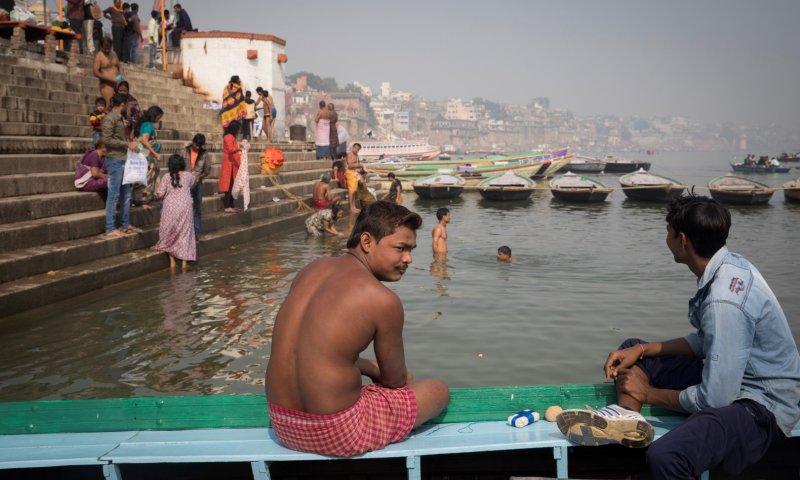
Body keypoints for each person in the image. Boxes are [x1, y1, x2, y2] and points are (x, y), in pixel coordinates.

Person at [556, 195, 800, 480]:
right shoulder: (731, 265)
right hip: (735, 379)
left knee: (667, 457)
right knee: (631, 351)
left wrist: (647, 394)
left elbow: (715, 399)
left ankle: (632, 406)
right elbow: (707, 341)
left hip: (760, 405)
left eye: (668, 232)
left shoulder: (723, 300)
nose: (667, 238)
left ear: (682, 240)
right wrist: (644, 349)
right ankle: (627, 418)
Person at [267, 202, 450, 457]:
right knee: (438, 390)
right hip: (335, 432)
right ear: (367, 241)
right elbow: (395, 381)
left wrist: (363, 366)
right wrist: (376, 370)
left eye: (410, 250)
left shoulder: (311, 269)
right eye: (401, 248)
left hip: (283, 424)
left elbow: (314, 351)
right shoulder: (382, 299)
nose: (408, 258)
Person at [102, 93, 140, 237]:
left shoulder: (120, 119)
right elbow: (106, 140)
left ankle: (125, 224)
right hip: (114, 160)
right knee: (114, 194)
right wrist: (126, 143)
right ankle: (110, 227)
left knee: (126, 194)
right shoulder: (110, 119)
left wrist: (131, 145)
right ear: (123, 104)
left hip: (124, 159)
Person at [153, 154, 196, 269]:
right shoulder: (189, 176)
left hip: (170, 207)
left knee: (169, 232)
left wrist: (155, 195)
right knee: (185, 234)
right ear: (182, 164)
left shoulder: (166, 177)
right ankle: (184, 263)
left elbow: (160, 195)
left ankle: (172, 262)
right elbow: (192, 184)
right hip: (185, 207)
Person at [132, 105, 163, 207]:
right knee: (146, 179)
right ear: (154, 115)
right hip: (147, 157)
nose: (159, 119)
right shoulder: (148, 125)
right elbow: (144, 140)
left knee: (146, 178)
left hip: (145, 157)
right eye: (158, 117)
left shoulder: (145, 124)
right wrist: (155, 153)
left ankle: (144, 199)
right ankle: (142, 201)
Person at [186, 133, 210, 239]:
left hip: (197, 183)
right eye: (196, 145)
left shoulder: (204, 154)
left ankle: (196, 232)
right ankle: (186, 232)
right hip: (184, 184)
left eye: (200, 146)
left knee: (197, 208)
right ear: (193, 142)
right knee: (186, 208)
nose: (198, 148)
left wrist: (199, 176)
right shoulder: (184, 151)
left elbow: (207, 169)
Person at [218, 120, 242, 213]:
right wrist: (239, 148)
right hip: (229, 165)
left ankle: (232, 205)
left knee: (233, 185)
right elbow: (231, 149)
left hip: (233, 164)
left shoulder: (231, 137)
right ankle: (227, 206)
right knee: (229, 185)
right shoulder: (228, 137)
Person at [93, 37, 124, 108]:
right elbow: (95, 72)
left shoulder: (114, 53)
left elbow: (119, 66)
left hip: (118, 83)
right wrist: (111, 79)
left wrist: (122, 77)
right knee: (109, 106)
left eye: (109, 47)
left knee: (121, 106)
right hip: (106, 84)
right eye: (105, 47)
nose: (107, 49)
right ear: (101, 46)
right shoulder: (99, 56)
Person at [345, 143, 363, 213]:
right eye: (355, 148)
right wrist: (359, 165)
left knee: (355, 190)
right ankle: (351, 208)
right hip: (349, 172)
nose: (356, 150)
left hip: (355, 172)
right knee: (351, 191)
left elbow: (356, 166)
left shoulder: (356, 155)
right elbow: (349, 165)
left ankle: (354, 206)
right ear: (353, 147)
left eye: (358, 149)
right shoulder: (349, 154)